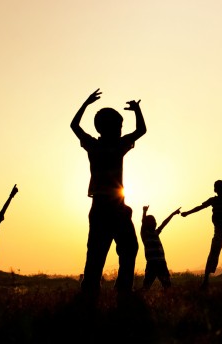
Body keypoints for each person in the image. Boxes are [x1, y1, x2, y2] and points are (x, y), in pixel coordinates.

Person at [71, 88, 146, 299]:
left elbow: (74, 126)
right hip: (112, 207)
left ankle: (96, 289)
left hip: (104, 206)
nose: (121, 129)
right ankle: (119, 289)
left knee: (99, 252)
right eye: (119, 126)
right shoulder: (117, 146)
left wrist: (86, 104)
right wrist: (137, 110)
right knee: (124, 248)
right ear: (108, 127)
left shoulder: (94, 145)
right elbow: (141, 130)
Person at [140, 205, 180, 291]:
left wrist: (173, 214)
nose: (155, 223)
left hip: (161, 263)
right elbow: (143, 222)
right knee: (146, 286)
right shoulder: (145, 234)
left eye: (155, 221)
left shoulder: (156, 233)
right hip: (152, 264)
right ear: (147, 223)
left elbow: (164, 223)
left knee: (167, 286)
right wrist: (144, 212)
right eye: (152, 221)